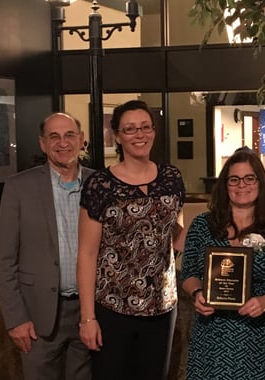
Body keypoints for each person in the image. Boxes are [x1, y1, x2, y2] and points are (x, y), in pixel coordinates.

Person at [77, 100, 185, 380]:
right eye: (130, 129)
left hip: (162, 308)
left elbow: (176, 233)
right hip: (113, 307)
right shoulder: (100, 185)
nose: (140, 135)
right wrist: (87, 319)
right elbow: (87, 255)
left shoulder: (172, 177)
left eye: (145, 127)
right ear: (117, 136)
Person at [179, 149, 265, 380]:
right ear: (225, 184)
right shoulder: (203, 225)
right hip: (212, 335)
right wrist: (198, 293)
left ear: (260, 183)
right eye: (234, 179)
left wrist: (264, 301)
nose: (242, 185)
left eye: (249, 178)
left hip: (261, 335)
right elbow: (189, 272)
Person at [0, 112, 93, 380]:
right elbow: (4, 260)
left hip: (91, 313)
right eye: (54, 137)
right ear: (42, 144)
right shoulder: (19, 187)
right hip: (38, 316)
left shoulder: (100, 185)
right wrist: (16, 319)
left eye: (70, 135)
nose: (63, 143)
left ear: (81, 139)